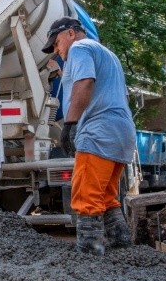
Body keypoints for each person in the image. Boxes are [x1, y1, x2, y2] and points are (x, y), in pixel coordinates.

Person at [42, 17, 136, 256]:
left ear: (71, 33)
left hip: (98, 132)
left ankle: (89, 257)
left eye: (56, 42)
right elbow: (120, 95)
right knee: (107, 197)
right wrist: (61, 72)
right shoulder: (107, 54)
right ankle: (123, 252)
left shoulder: (79, 48)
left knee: (86, 196)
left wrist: (70, 124)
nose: (56, 49)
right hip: (120, 132)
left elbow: (84, 82)